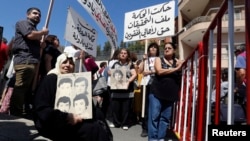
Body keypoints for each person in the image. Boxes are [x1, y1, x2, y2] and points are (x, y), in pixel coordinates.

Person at [33, 53, 113, 141]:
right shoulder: (50, 79)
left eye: (71, 63)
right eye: (64, 62)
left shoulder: (75, 81)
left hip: (74, 118)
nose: (68, 65)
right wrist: (66, 117)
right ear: (58, 64)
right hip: (52, 121)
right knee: (92, 129)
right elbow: (42, 109)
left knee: (98, 115)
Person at [9, 7, 49, 117]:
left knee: (26, 88)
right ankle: (15, 114)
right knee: (21, 87)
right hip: (25, 59)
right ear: (28, 15)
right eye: (35, 13)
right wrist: (43, 32)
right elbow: (30, 35)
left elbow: (33, 39)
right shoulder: (23, 23)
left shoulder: (35, 30)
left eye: (39, 15)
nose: (38, 16)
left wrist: (42, 45)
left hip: (32, 60)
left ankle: (20, 111)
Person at [148, 42, 183, 141]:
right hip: (156, 93)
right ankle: (153, 139)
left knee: (165, 118)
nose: (166, 49)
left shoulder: (178, 62)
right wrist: (176, 69)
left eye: (169, 48)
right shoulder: (159, 59)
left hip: (171, 95)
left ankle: (161, 137)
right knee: (154, 117)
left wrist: (181, 65)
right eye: (165, 48)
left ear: (174, 50)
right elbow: (159, 71)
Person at [108, 48, 137, 130]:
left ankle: (125, 123)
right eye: (121, 53)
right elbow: (110, 72)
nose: (123, 54)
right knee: (115, 107)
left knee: (126, 108)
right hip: (116, 89)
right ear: (119, 55)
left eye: (125, 53)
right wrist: (110, 73)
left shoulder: (130, 64)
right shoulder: (115, 64)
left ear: (127, 55)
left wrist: (128, 81)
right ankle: (116, 123)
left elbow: (134, 74)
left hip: (127, 90)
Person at [138, 42, 160, 137]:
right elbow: (139, 71)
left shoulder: (160, 59)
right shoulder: (145, 60)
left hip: (157, 84)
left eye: (155, 47)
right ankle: (145, 128)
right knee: (146, 106)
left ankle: (155, 127)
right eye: (151, 47)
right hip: (146, 84)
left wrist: (150, 71)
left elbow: (160, 70)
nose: (153, 48)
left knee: (156, 106)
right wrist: (143, 61)